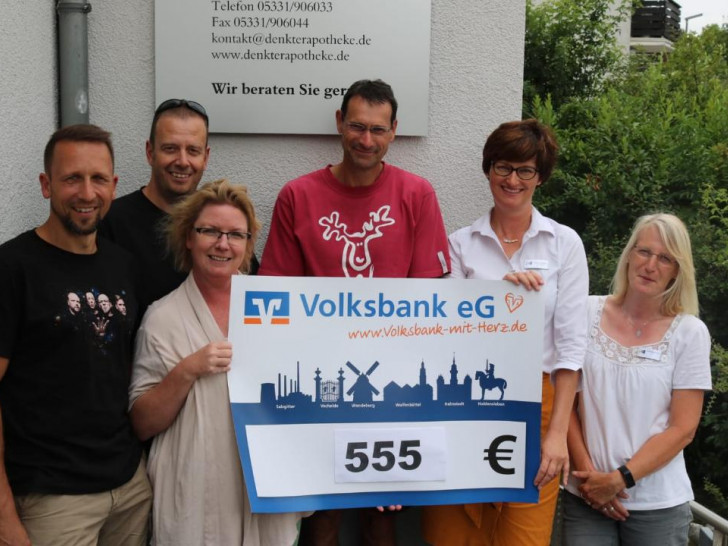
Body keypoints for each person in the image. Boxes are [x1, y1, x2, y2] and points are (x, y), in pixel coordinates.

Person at [259, 79, 451, 545]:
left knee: (381, 513)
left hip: (391, 383)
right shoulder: (297, 196)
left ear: (394, 132)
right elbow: (275, 294)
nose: (367, 140)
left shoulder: (416, 194)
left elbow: (430, 299)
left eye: (378, 130)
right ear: (340, 123)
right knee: (322, 513)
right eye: (358, 126)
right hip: (318, 381)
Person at [422, 119, 589, 546]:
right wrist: (499, 300)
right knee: (451, 532)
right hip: (463, 407)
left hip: (540, 406)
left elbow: (571, 349)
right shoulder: (460, 244)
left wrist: (557, 438)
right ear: (488, 169)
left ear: (540, 176)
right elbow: (446, 331)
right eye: (502, 167)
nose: (512, 180)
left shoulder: (564, 244)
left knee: (524, 537)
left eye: (525, 170)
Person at [129, 179, 308, 545]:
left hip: (264, 484)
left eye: (235, 235)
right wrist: (188, 369)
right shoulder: (162, 318)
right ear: (189, 238)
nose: (223, 244)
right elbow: (142, 423)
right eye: (210, 231)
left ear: (247, 244)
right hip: (195, 484)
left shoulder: (281, 309)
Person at [0, 124, 151, 546]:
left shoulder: (123, 265)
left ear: (114, 184)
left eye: (98, 178)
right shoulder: (13, 268)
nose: (87, 193)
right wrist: (4, 518)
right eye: (72, 178)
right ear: (46, 184)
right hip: (52, 498)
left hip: (129, 487)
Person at [563, 213, 711, 545]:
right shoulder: (584, 313)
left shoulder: (689, 333)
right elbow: (566, 402)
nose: (650, 265)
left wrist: (619, 480)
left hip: (658, 504)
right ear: (629, 254)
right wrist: (590, 481)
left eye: (665, 258)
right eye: (644, 251)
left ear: (677, 269)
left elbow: (682, 428)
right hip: (585, 494)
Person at [99, 99, 260, 313]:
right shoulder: (112, 221)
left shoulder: (224, 228)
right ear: (150, 152)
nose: (182, 161)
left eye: (193, 150)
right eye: (170, 148)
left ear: (206, 157)